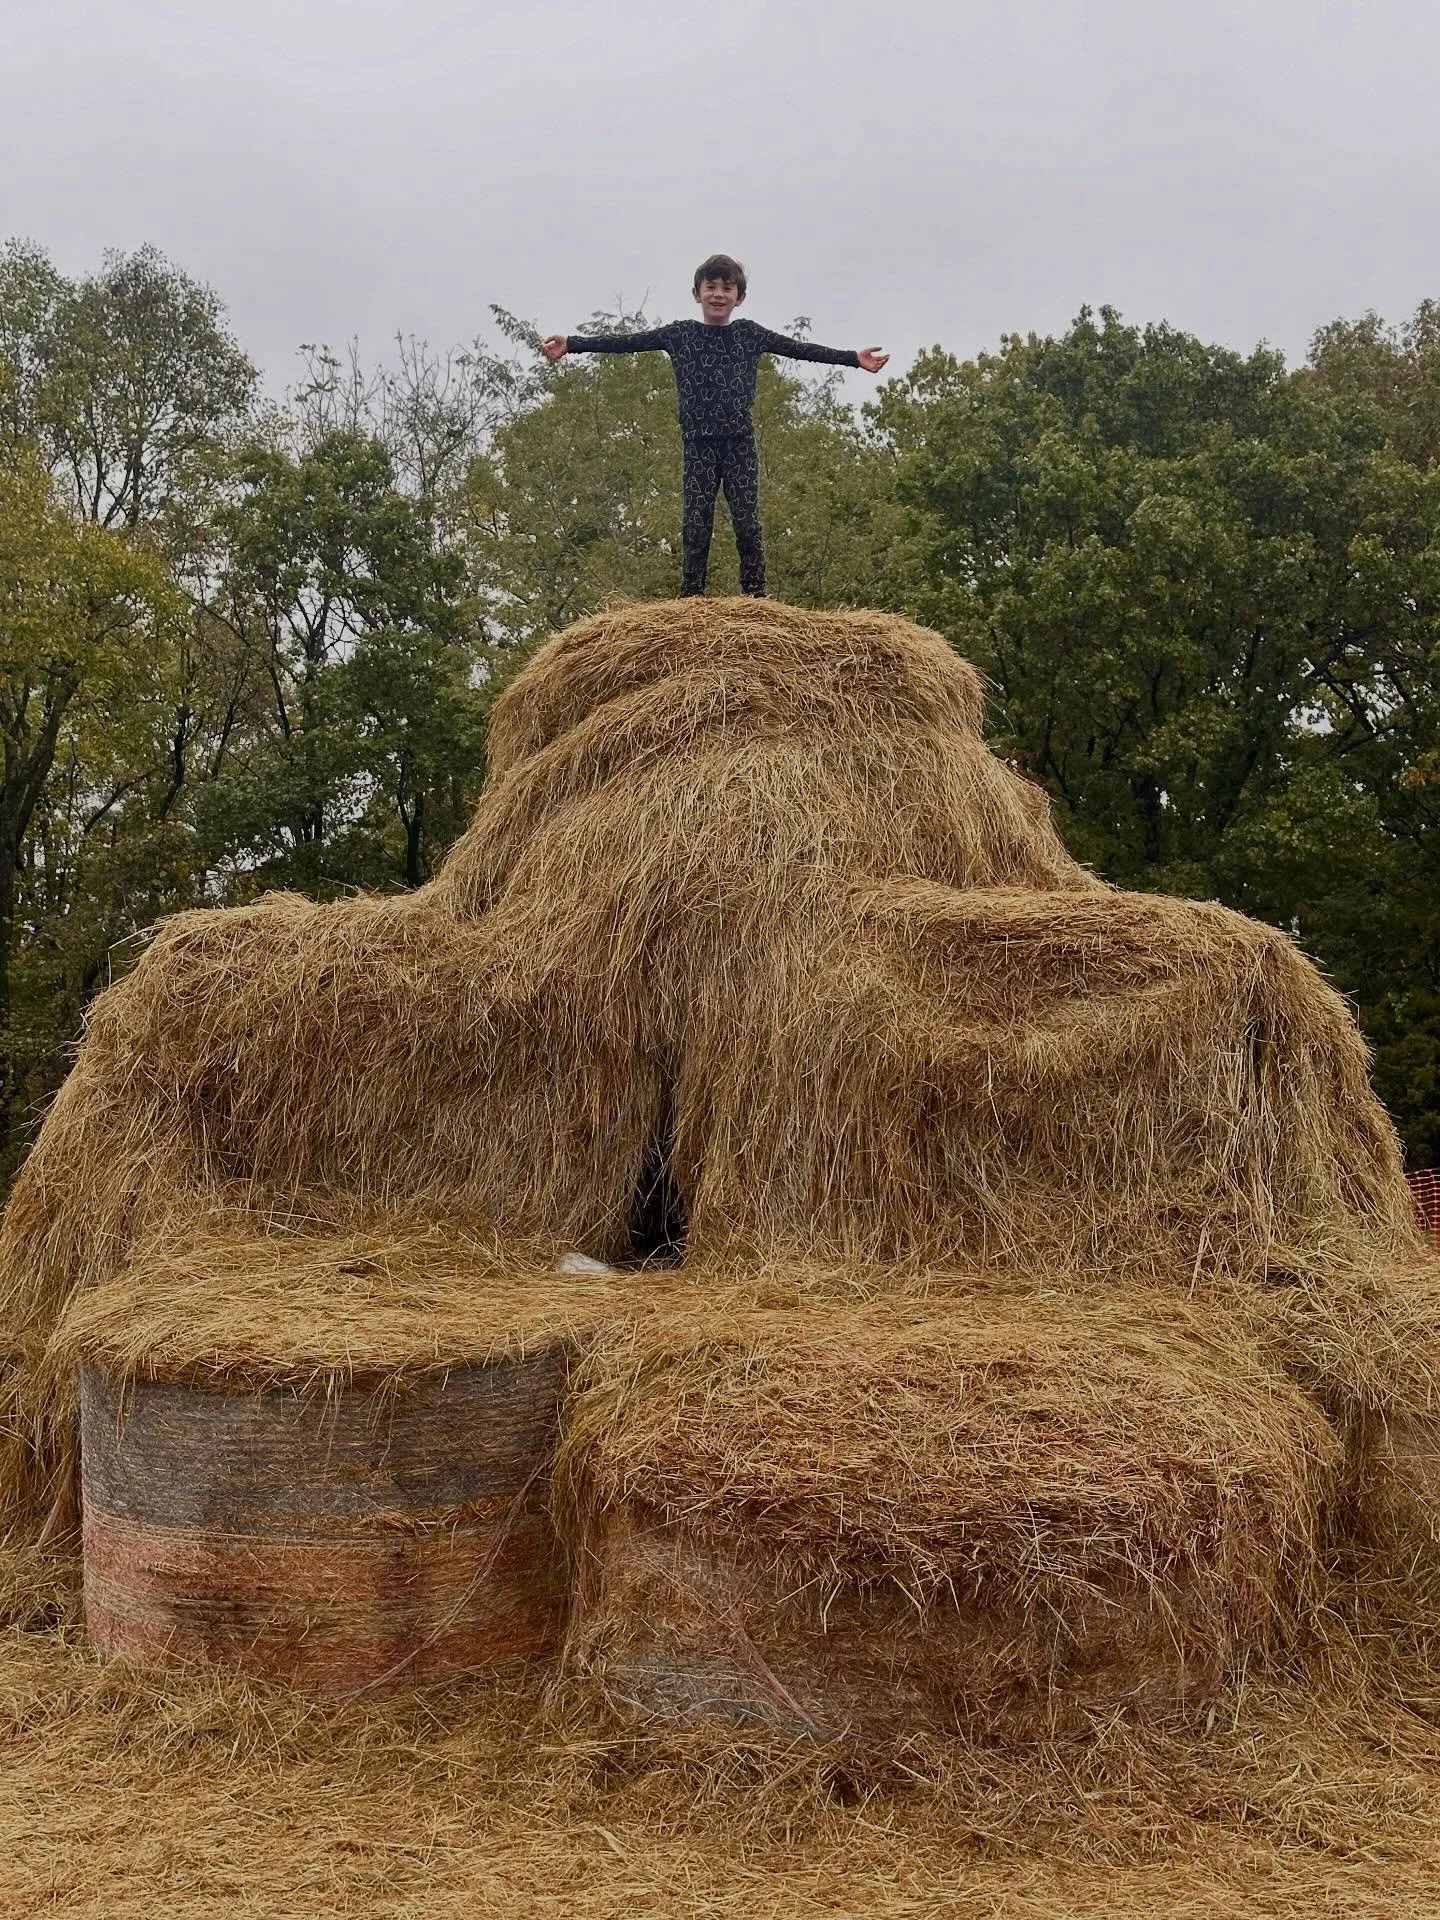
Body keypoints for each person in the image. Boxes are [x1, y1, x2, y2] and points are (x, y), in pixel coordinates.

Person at [542, 254, 888, 598]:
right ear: (697, 293)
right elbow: (627, 342)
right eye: (711, 287)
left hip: (739, 443)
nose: (719, 294)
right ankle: (691, 596)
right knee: (696, 523)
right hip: (698, 444)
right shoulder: (680, 335)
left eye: (727, 288)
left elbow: (799, 349)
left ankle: (756, 596)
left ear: (740, 298)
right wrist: (573, 344)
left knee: (747, 522)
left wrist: (852, 359)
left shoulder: (749, 335)